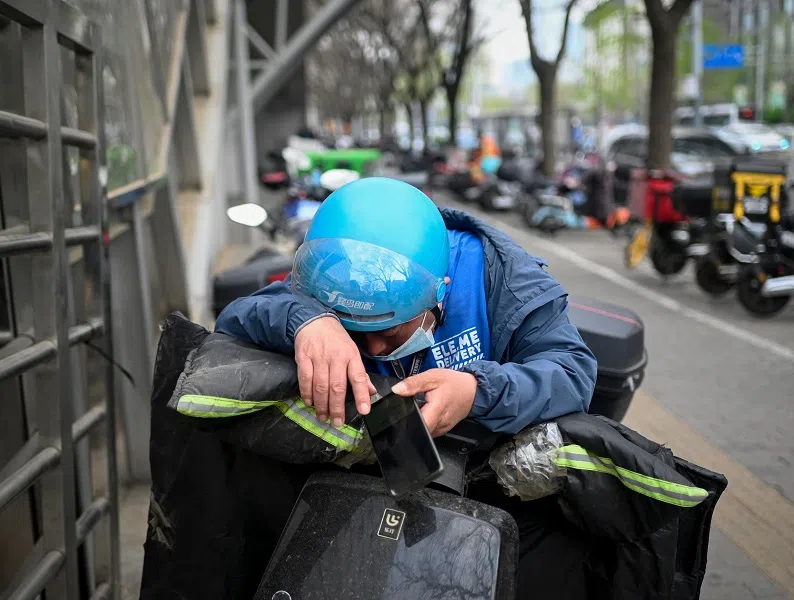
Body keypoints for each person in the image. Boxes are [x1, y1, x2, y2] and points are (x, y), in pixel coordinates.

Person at [215, 176, 600, 598]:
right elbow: (237, 321)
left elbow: (572, 371)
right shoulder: (331, 276)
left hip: (488, 493)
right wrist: (304, 322)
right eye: (357, 332)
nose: (376, 348)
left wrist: (477, 391)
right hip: (359, 486)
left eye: (392, 331)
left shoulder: (502, 277)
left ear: (440, 294)